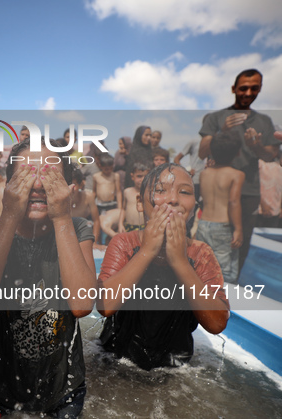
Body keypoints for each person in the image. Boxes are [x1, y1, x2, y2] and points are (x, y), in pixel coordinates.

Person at [0, 138, 97, 418]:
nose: (37, 185)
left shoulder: (77, 228)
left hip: (65, 387)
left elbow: (83, 305)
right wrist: (10, 214)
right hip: (3, 386)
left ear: (68, 187)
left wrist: (62, 216)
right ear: (9, 184)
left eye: (50, 177)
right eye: (26, 175)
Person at [97, 163, 229, 370]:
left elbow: (217, 323)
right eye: (160, 190)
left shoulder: (200, 253)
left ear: (194, 207)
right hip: (116, 357)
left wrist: (180, 262)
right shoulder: (124, 243)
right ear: (140, 203)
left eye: (184, 192)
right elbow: (104, 305)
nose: (173, 199)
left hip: (174, 367)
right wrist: (147, 251)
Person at [198, 69, 281, 270]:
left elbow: (270, 155)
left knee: (240, 246)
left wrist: (256, 147)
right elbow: (202, 152)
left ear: (260, 89)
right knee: (208, 250)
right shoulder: (216, 118)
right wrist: (221, 131)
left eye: (254, 88)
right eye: (243, 88)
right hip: (218, 195)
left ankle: (228, 293)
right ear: (234, 88)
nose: (248, 93)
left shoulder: (264, 122)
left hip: (249, 192)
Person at [196, 132, 245, 283]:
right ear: (237, 152)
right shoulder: (236, 174)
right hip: (222, 227)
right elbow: (233, 202)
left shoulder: (204, 173)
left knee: (202, 266)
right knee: (223, 272)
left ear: (211, 151)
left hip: (203, 224)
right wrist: (238, 229)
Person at [70, 168, 101, 246]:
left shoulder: (88, 197)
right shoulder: (61, 199)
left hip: (83, 235)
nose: (70, 188)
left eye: (74, 185)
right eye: (68, 184)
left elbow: (96, 221)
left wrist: (94, 243)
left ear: (81, 185)